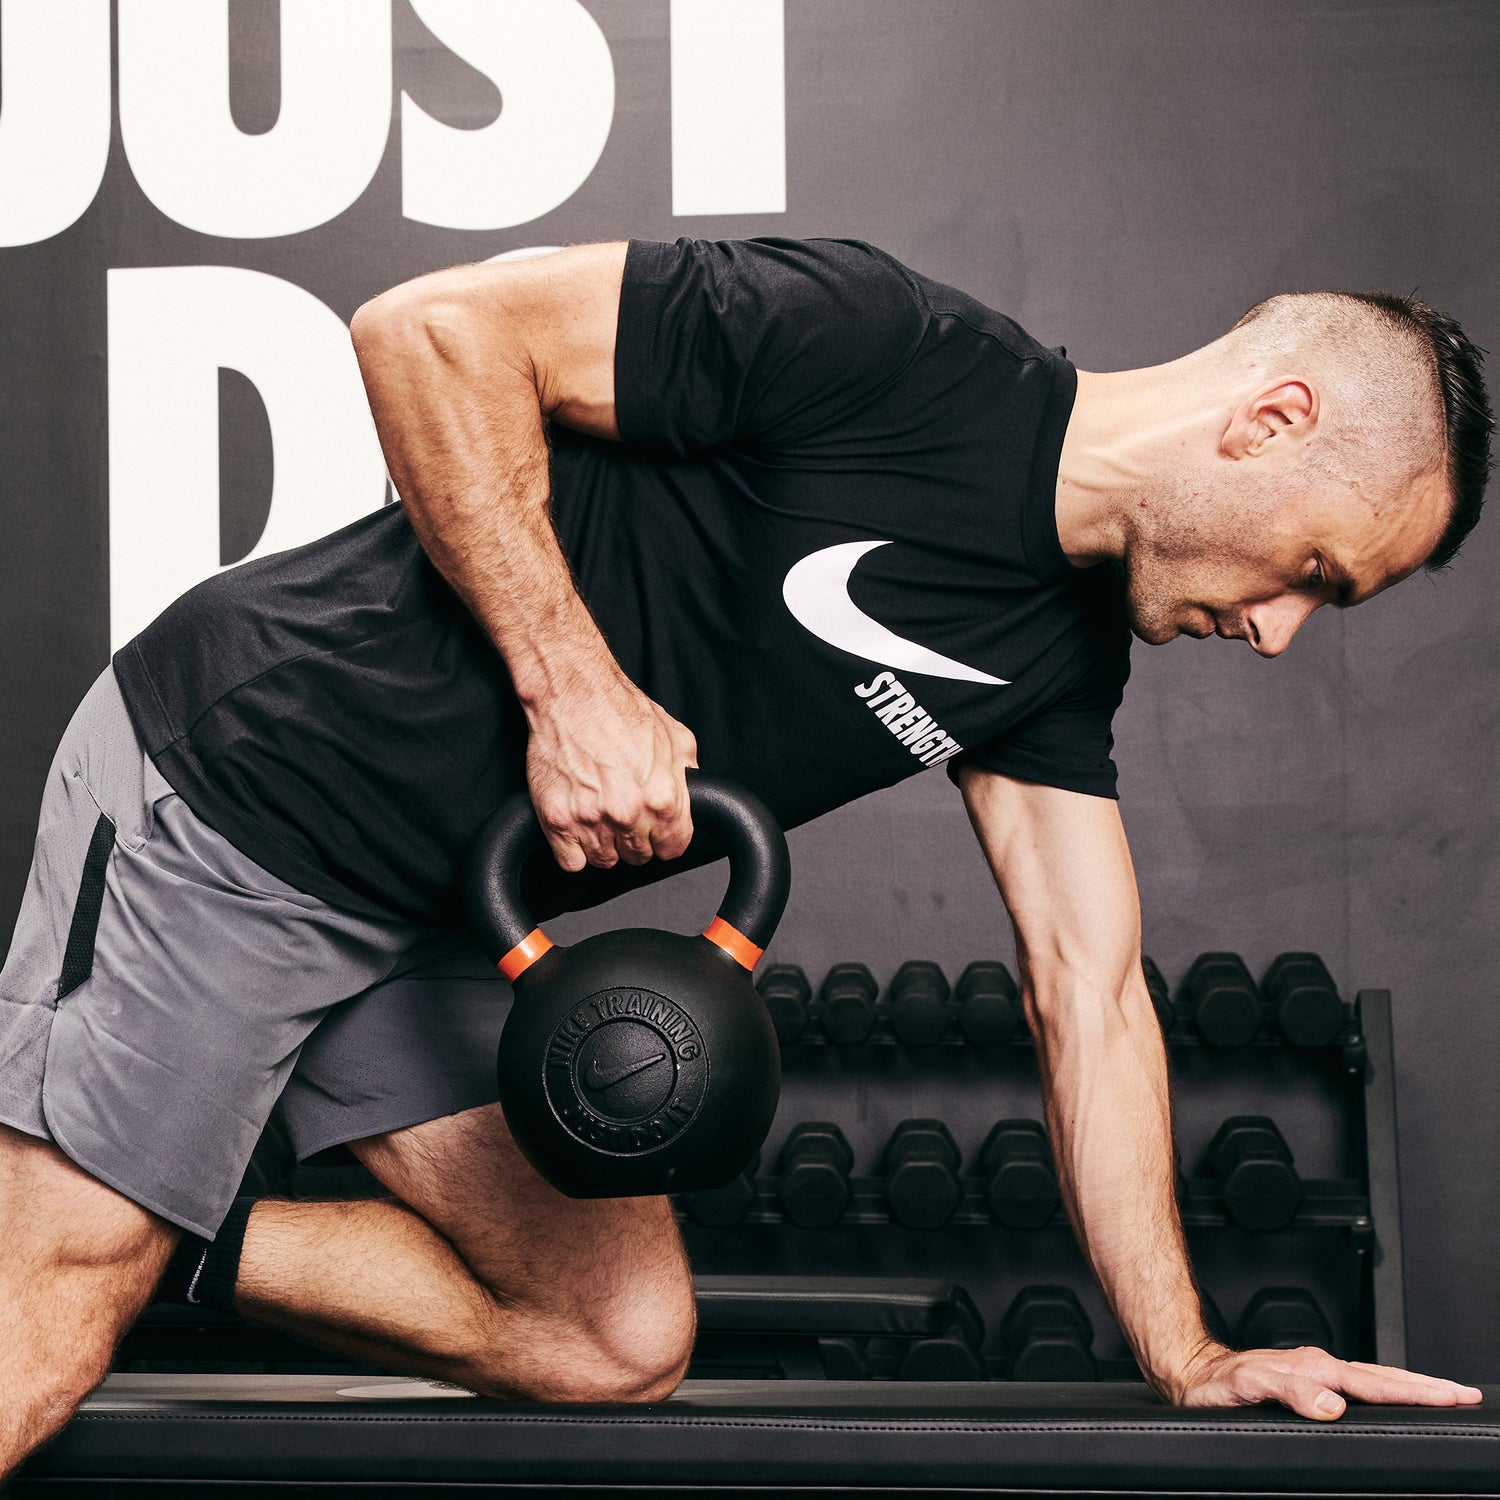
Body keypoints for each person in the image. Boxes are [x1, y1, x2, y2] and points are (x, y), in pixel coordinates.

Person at [0, 236, 1490, 1473]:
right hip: (250, 786)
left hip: (434, 910)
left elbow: (1087, 989)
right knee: (42, 1329)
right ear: (1273, 419)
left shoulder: (1055, 662)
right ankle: (93, 1230)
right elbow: (428, 333)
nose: (1281, 628)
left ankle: (150, 1222)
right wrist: (570, 686)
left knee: (614, 1337)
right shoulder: (892, 350)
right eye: (1315, 574)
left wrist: (1188, 1351)